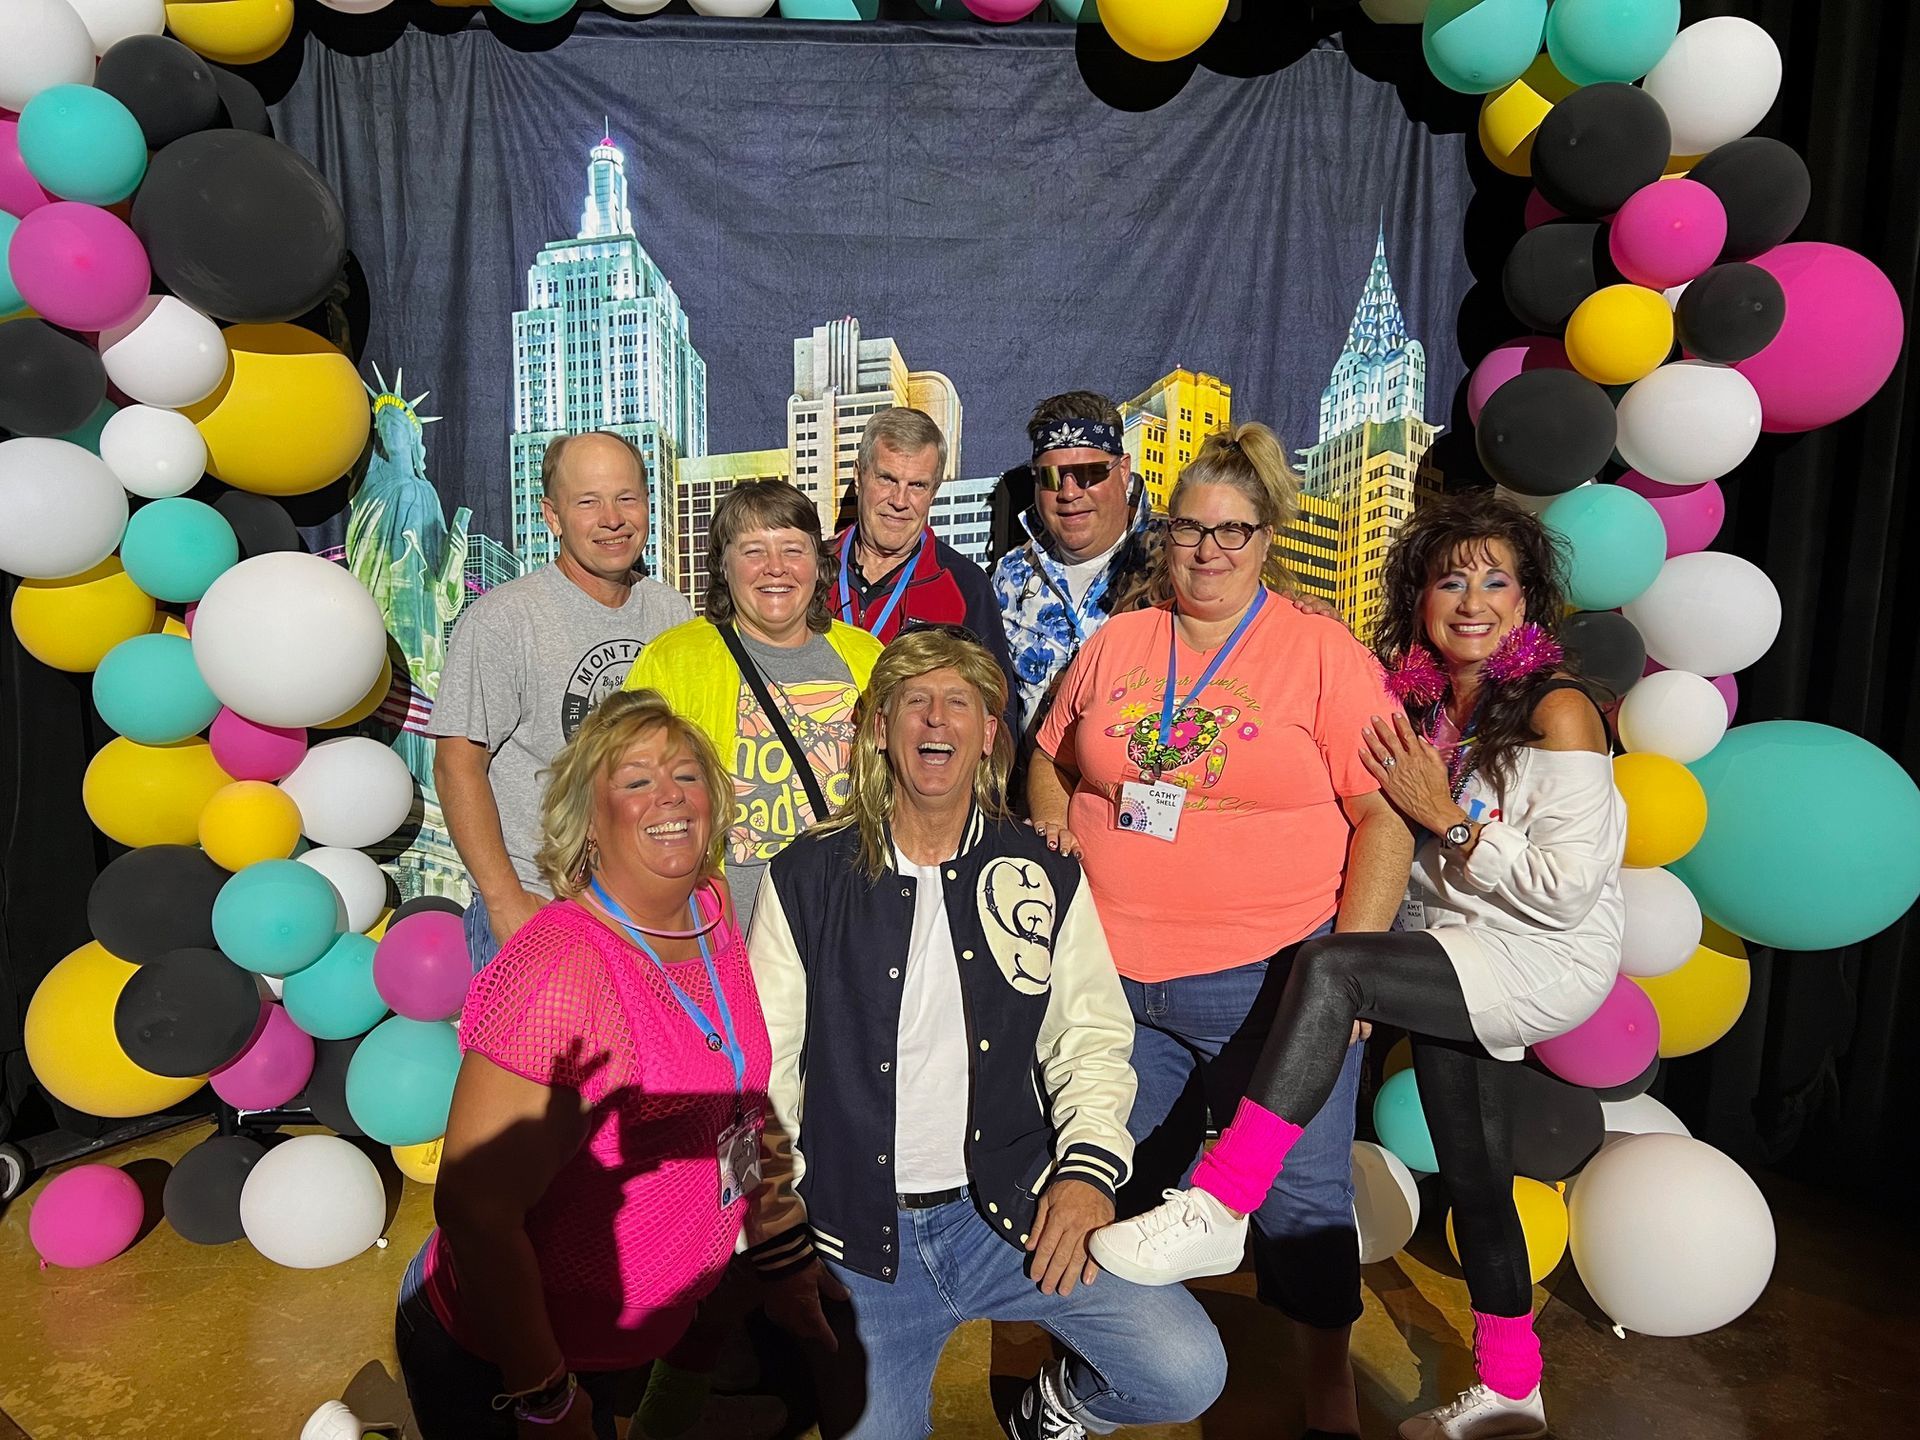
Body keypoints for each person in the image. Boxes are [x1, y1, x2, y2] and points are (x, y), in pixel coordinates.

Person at [1093, 491, 1627, 1440]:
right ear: (1419, 599)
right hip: (1454, 952)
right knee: (1476, 1174)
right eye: (1449, 581)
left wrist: (1447, 818)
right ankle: (1513, 1389)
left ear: (1528, 601)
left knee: (1332, 966)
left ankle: (1224, 1197)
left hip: (1541, 954)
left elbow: (1568, 891)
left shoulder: (1559, 711)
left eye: (1495, 582)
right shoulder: (1420, 702)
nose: (1471, 602)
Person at [740, 626, 1226, 1440]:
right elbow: (766, 1072)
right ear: (879, 727)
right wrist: (779, 1232)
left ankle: (1057, 1409)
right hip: (861, 1237)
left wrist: (1087, 1174)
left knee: (1186, 1369)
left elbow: (1091, 1039)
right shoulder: (805, 874)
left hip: (1011, 1210)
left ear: (990, 732)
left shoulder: (1039, 866)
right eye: (915, 701)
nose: (937, 719)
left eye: (958, 702)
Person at [1026, 424, 1412, 1440]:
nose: (1207, 550)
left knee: (1301, 1196)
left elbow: (1384, 818)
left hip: (1269, 981)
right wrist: (1055, 827)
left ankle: (1327, 1389)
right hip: (1112, 979)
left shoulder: (1322, 654)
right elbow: (1049, 757)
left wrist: (1351, 968)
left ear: (1267, 537)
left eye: (1231, 531)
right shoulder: (1119, 642)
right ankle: (1100, 1371)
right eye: (1190, 529)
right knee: (1107, 1173)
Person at [397, 690, 769, 1440]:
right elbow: (476, 1209)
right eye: (635, 781)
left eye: (686, 775)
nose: (670, 795)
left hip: (632, 1333)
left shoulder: (710, 909)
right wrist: (544, 1396)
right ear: (588, 822)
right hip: (511, 1360)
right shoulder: (564, 968)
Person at [431, 432, 690, 970]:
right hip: (541, 906)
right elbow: (457, 765)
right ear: (552, 516)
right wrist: (504, 900)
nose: (613, 519)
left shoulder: (671, 612)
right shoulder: (504, 620)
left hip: (647, 913)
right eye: (588, 502)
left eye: (626, 498)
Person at [622, 479, 882, 927]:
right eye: (754, 551)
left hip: (849, 918)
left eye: (792, 549)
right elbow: (623, 791)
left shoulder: (868, 658)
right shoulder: (673, 660)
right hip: (725, 928)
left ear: (818, 564)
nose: (775, 568)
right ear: (724, 565)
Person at [990, 391, 1159, 751]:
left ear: (1123, 471)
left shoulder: (1178, 559)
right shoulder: (1010, 576)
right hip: (1036, 783)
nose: (1069, 493)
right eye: (1051, 477)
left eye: (1088, 474)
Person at [826, 406, 1016, 719]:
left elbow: (997, 711)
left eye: (917, 485)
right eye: (887, 479)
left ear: (934, 492)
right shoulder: (807, 571)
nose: (899, 501)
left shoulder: (966, 585)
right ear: (859, 477)